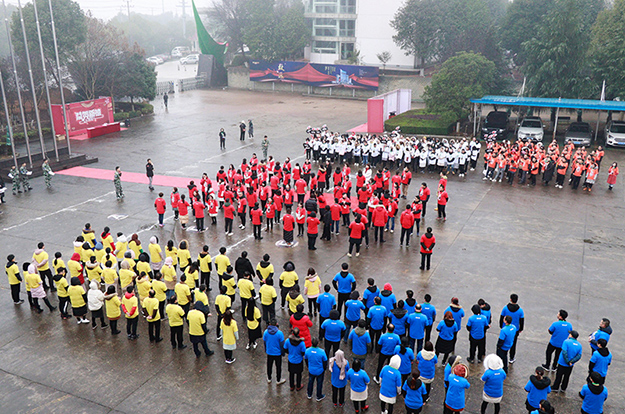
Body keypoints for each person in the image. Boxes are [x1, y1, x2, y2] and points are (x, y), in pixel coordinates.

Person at [499, 293, 524, 364]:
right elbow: (521, 320)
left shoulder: (505, 308)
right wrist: (521, 329)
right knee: (513, 343)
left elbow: (501, 317)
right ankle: (511, 358)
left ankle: (503, 357)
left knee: (503, 343)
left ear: (510, 299)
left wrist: (501, 326)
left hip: (505, 329)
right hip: (515, 330)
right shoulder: (520, 310)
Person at [305, 337, 328, 401]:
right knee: (319, 383)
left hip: (311, 370)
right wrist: (324, 368)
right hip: (319, 370)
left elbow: (306, 359)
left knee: (310, 382)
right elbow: (325, 361)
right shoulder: (322, 352)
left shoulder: (307, 351)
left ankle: (309, 394)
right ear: (318, 343)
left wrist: (308, 366)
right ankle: (318, 396)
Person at [264, 318, 286, 384]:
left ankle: (269, 378)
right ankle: (278, 380)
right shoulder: (280, 333)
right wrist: (283, 352)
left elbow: (264, 342)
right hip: (277, 353)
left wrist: (266, 349)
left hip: (269, 352)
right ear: (276, 324)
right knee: (278, 367)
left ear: (270, 324)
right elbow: (282, 344)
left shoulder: (266, 332)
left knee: (269, 366)